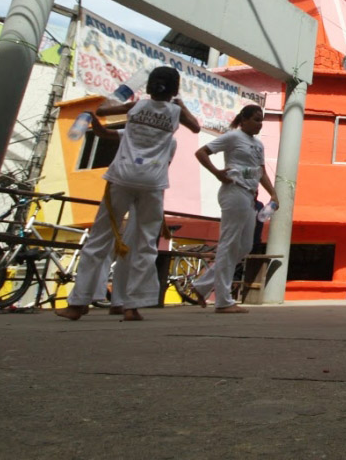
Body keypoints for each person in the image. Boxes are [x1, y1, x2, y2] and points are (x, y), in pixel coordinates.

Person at [56, 66, 200, 322]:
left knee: (99, 239)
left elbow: (102, 115)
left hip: (121, 178)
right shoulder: (176, 112)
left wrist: (99, 111)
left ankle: (78, 303)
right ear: (175, 90)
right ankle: (132, 306)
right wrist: (180, 104)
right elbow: (196, 127)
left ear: (149, 86)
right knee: (145, 244)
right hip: (153, 184)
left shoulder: (135, 108)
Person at [193, 104, 278, 314]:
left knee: (245, 245)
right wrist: (217, 173)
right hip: (234, 191)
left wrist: (273, 193)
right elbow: (202, 152)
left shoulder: (258, 145)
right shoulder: (232, 137)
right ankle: (223, 300)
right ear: (245, 120)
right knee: (228, 244)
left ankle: (203, 285)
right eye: (257, 120)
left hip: (250, 196)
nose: (260, 124)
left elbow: (260, 171)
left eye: (262, 120)